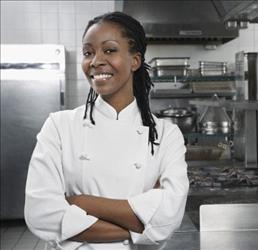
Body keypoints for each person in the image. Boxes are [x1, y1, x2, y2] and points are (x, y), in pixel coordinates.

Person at [24, 11, 189, 250]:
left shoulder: (165, 135)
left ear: (135, 61)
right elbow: (40, 214)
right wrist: (141, 226)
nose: (96, 60)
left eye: (109, 50)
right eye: (88, 52)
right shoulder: (59, 126)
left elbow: (168, 217)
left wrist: (80, 202)